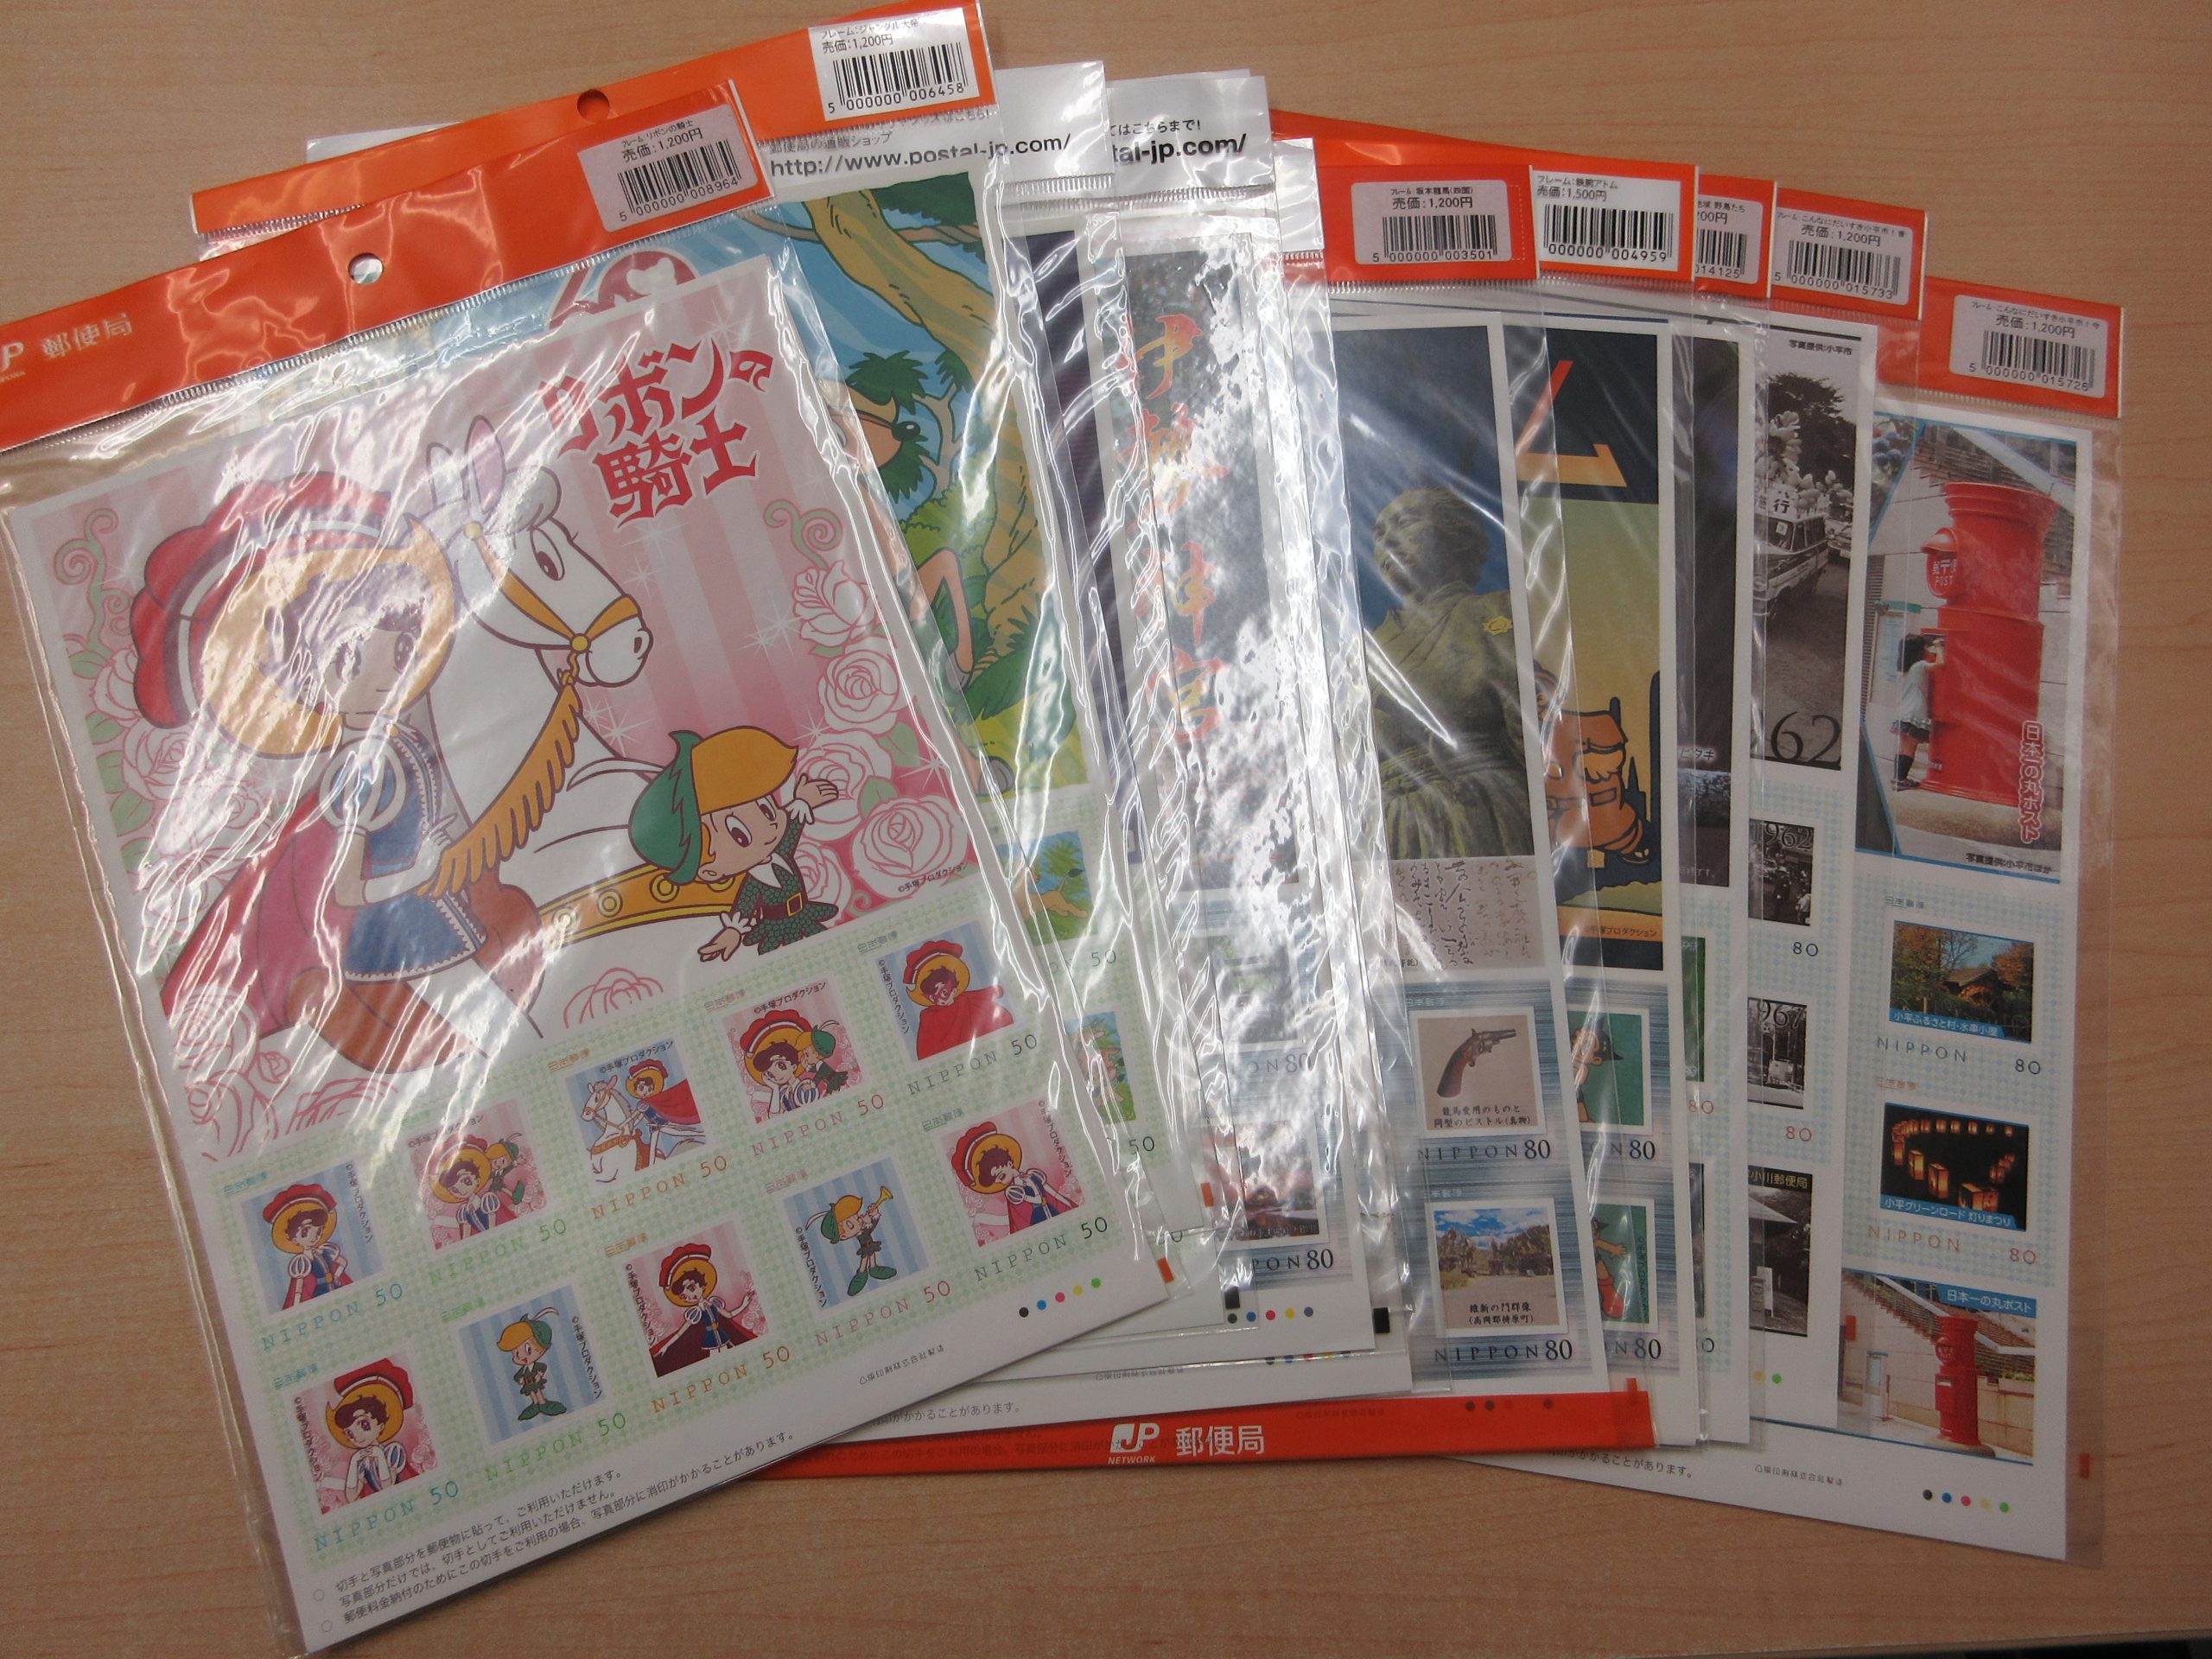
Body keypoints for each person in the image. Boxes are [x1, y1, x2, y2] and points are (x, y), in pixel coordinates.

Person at [1363, 488, 1533, 861]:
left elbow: (1538, 740)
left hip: (1482, 819)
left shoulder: (1501, 612)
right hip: (1389, 831)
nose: (1388, 541)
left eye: (1405, 522)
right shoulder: (1364, 651)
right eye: (1378, 534)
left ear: (1456, 536)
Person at [627, 728, 840, 962]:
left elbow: (791, 830)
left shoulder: (780, 853)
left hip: (804, 915)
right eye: (740, 836)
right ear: (709, 871)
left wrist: (803, 801)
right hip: (777, 929)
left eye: (767, 809)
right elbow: (744, 907)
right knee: (792, 962)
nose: (769, 828)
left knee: (831, 950)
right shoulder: (754, 883)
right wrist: (733, 932)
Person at [952, 1122, 1076, 1233]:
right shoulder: (1013, 1192)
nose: (1001, 1182)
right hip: (1037, 1220)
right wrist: (981, 1218)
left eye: (1001, 1176)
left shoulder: (1032, 1176)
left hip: (1051, 1212)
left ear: (1009, 1164)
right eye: (997, 1181)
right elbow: (1013, 1219)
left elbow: (1052, 1195)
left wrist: (1068, 1203)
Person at [903, 940, 1014, 1059]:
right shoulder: (929, 1018)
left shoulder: (969, 1001)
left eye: (944, 992)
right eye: (933, 997)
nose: (940, 999)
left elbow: (989, 1000)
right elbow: (928, 1050)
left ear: (954, 989)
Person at [325, 1363, 418, 1503]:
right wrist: (355, 1461)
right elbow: (351, 1497)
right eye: (350, 1434)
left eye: (364, 1425)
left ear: (381, 1426)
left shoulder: (393, 1452)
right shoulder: (362, 1462)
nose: (357, 1436)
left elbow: (388, 1486)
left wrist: (379, 1455)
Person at [264, 1183, 352, 1306]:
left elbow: (343, 1262)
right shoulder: (302, 1262)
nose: (314, 1237)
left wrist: (336, 1276)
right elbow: (298, 1287)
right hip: (320, 1293)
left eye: (319, 1231)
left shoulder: (326, 1250)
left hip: (335, 1286)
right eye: (305, 1232)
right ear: (295, 1240)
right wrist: (296, 1303)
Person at [816, 1188, 899, 1298]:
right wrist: (870, 1221)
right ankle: (861, 1275)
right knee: (864, 1261)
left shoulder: (862, 1228)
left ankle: (874, 1269)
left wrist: (873, 1215)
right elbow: (869, 1230)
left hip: (870, 1245)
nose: (858, 1219)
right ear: (843, 1236)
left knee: (871, 1257)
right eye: (850, 1224)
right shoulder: (861, 1233)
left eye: (855, 1215)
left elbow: (870, 1228)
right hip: (866, 1247)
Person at [494, 1309, 567, 1421]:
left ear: (542, 1349)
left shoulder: (537, 1365)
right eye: (516, 1353)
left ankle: (543, 1403)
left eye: (528, 1349)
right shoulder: (523, 1370)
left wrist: (539, 1375)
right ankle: (535, 1404)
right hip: (528, 1383)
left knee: (538, 1391)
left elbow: (542, 1367)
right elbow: (517, 1376)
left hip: (535, 1382)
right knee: (532, 1393)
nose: (522, 1356)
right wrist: (521, 1380)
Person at [1894, 635, 1939, 789]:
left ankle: (1897, 778)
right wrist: (1939, 647)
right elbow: (1941, 664)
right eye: (1925, 647)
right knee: (1910, 749)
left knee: (1902, 747)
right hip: (1915, 712)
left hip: (1903, 712)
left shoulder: (1903, 668)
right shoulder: (1920, 665)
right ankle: (1901, 780)